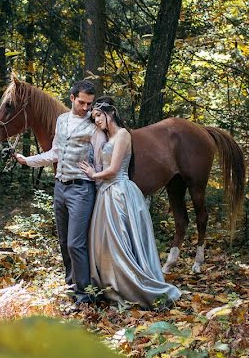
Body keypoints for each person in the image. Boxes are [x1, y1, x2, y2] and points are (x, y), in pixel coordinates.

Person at [78, 97, 181, 309]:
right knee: (107, 244)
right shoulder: (106, 136)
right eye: (94, 117)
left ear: (111, 113)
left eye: (99, 115)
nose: (96, 120)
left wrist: (93, 174)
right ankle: (111, 287)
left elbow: (114, 169)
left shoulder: (123, 134)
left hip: (120, 193)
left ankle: (133, 286)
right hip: (106, 194)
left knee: (122, 242)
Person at [14, 80, 107, 307]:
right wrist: (28, 161)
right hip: (60, 187)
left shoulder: (94, 127)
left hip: (81, 190)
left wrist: (97, 174)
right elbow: (55, 152)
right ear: (72, 97)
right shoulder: (62, 120)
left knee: (76, 243)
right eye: (82, 102)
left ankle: (85, 295)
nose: (86, 108)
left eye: (89, 104)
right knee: (65, 241)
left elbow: (103, 156)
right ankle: (72, 287)